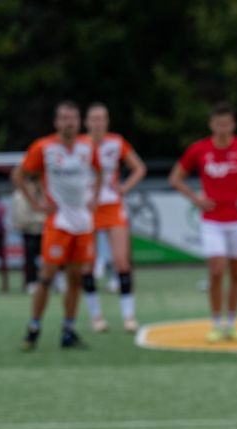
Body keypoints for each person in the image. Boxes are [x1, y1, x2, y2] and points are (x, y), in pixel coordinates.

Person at [170, 103, 237, 343]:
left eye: (226, 123)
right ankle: (216, 323)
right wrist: (196, 198)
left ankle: (232, 323)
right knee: (217, 271)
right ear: (211, 125)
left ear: (233, 124)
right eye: (218, 123)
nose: (222, 128)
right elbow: (175, 177)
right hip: (212, 221)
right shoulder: (200, 149)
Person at [14, 101, 102, 350]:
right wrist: (36, 203)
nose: (69, 123)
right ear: (56, 123)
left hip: (83, 223)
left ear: (79, 121)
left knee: (76, 278)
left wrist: (94, 198)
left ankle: (68, 330)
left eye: (73, 118)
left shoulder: (88, 146)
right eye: (64, 118)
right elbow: (19, 175)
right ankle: (33, 328)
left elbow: (100, 172)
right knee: (47, 276)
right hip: (58, 222)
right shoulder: (44, 147)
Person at [83, 102, 147, 333]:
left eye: (102, 118)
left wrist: (124, 187)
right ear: (87, 122)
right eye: (94, 119)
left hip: (112, 206)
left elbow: (139, 168)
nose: (98, 123)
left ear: (107, 122)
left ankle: (129, 316)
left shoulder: (116, 142)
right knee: (87, 266)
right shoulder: (81, 145)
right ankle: (96, 317)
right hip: (87, 208)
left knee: (122, 261)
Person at [10, 173, 47, 293]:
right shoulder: (19, 197)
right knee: (30, 246)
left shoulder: (47, 194)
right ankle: (31, 281)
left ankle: (58, 278)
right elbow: (21, 221)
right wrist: (41, 220)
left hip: (47, 232)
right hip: (29, 232)